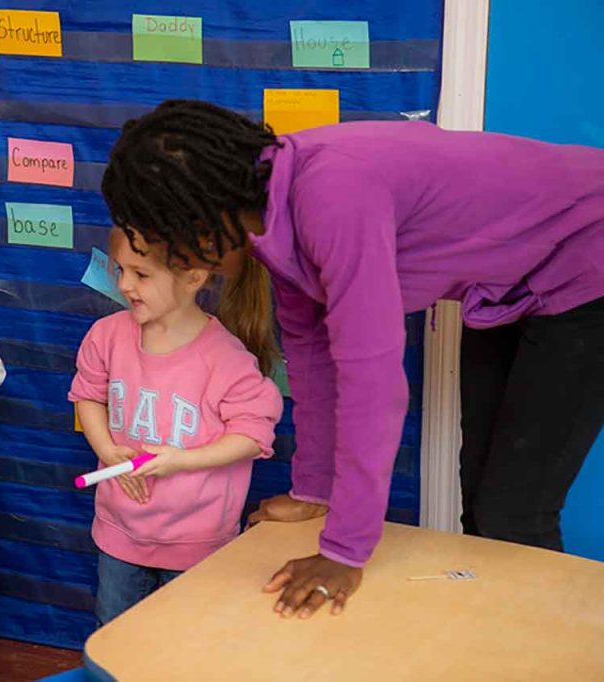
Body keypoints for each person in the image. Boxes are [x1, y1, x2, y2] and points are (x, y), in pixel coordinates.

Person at [99, 99, 604, 619]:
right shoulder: (278, 225)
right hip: (511, 284)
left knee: (513, 511)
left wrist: (344, 549)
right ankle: (503, 647)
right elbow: (314, 364)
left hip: (590, 252)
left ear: (205, 216)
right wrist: (316, 491)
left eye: (180, 245)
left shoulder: (333, 196)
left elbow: (374, 384)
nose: (189, 264)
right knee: (480, 502)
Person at [69, 228, 283, 625]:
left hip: (198, 545)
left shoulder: (225, 359)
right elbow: (88, 394)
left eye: (141, 274)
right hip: (120, 535)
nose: (123, 284)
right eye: (120, 270)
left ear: (193, 278)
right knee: (116, 641)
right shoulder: (106, 337)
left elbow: (254, 436)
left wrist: (182, 460)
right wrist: (107, 450)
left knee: (186, 650)